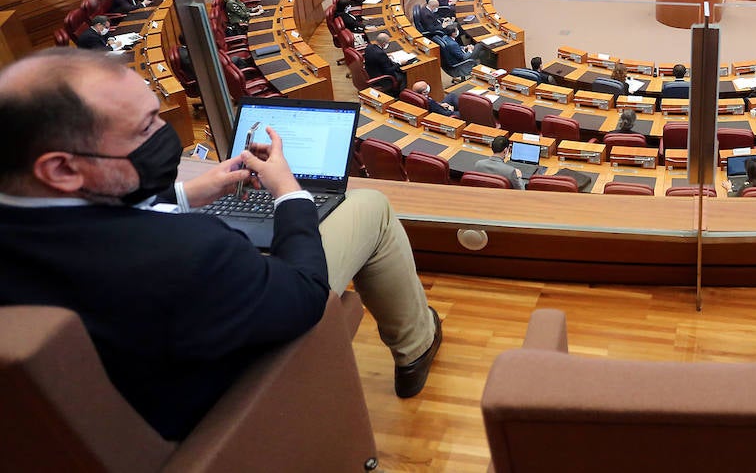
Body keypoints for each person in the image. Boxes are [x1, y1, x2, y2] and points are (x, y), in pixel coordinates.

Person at [0, 50, 444, 441]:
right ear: (60, 169)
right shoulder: (189, 253)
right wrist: (289, 194)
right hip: (219, 414)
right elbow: (306, 295)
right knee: (370, 204)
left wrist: (183, 196)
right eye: (144, 128)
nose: (164, 134)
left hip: (116, 405)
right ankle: (415, 346)